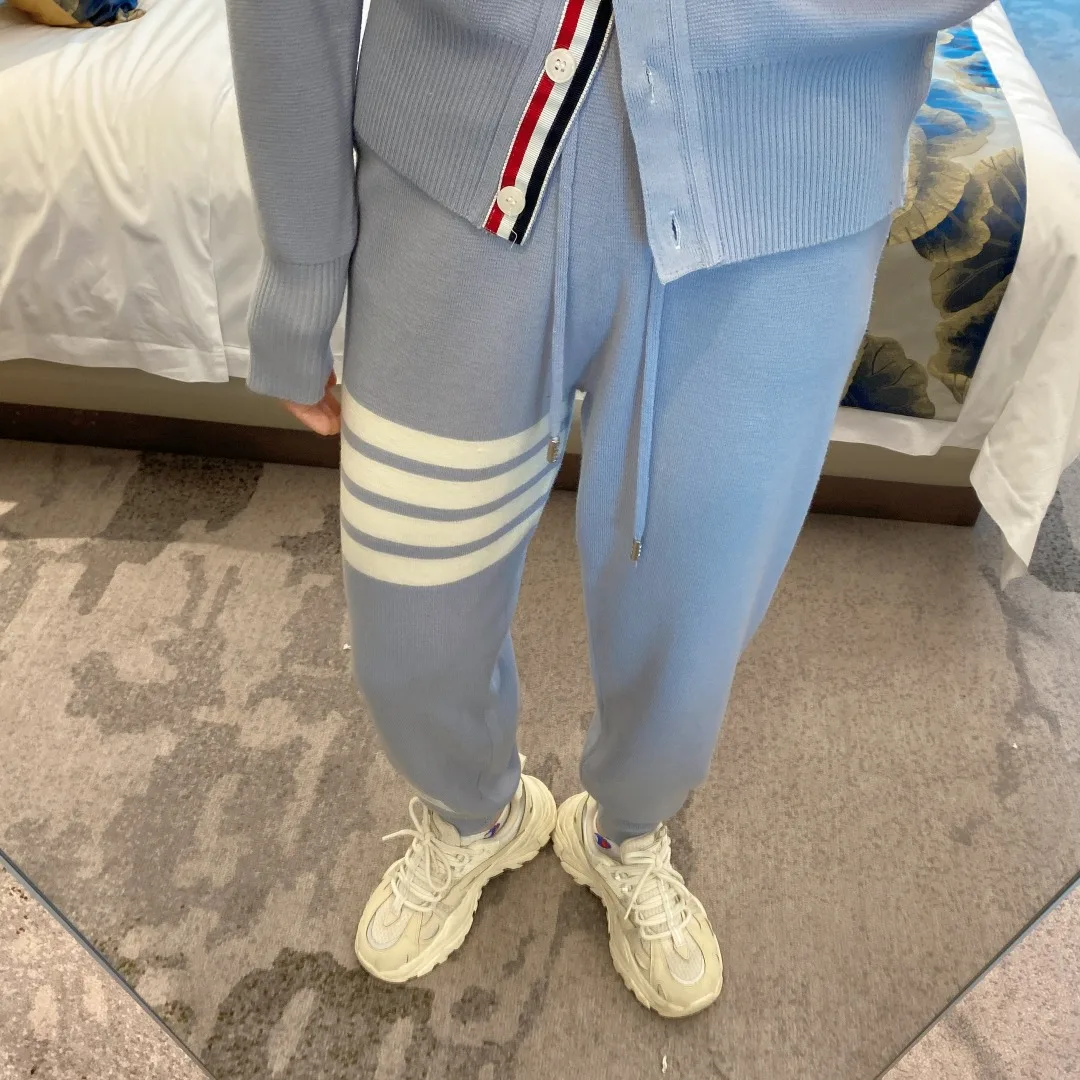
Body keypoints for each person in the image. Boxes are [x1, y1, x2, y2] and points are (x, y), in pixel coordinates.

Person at [224, 0, 987, 1018]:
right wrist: (300, 266)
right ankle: (474, 814)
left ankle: (625, 831)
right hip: (451, 177)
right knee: (409, 620)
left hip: (782, 200)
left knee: (689, 630)